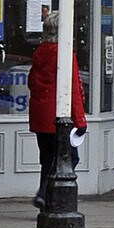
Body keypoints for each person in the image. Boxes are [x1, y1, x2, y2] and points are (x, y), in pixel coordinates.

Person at [28, 11, 88, 209]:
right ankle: (45, 193)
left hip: (40, 115)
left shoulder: (40, 52)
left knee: (47, 158)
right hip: (58, 115)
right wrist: (80, 121)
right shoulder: (64, 54)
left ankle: (45, 196)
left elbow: (32, 83)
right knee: (69, 157)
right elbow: (73, 89)